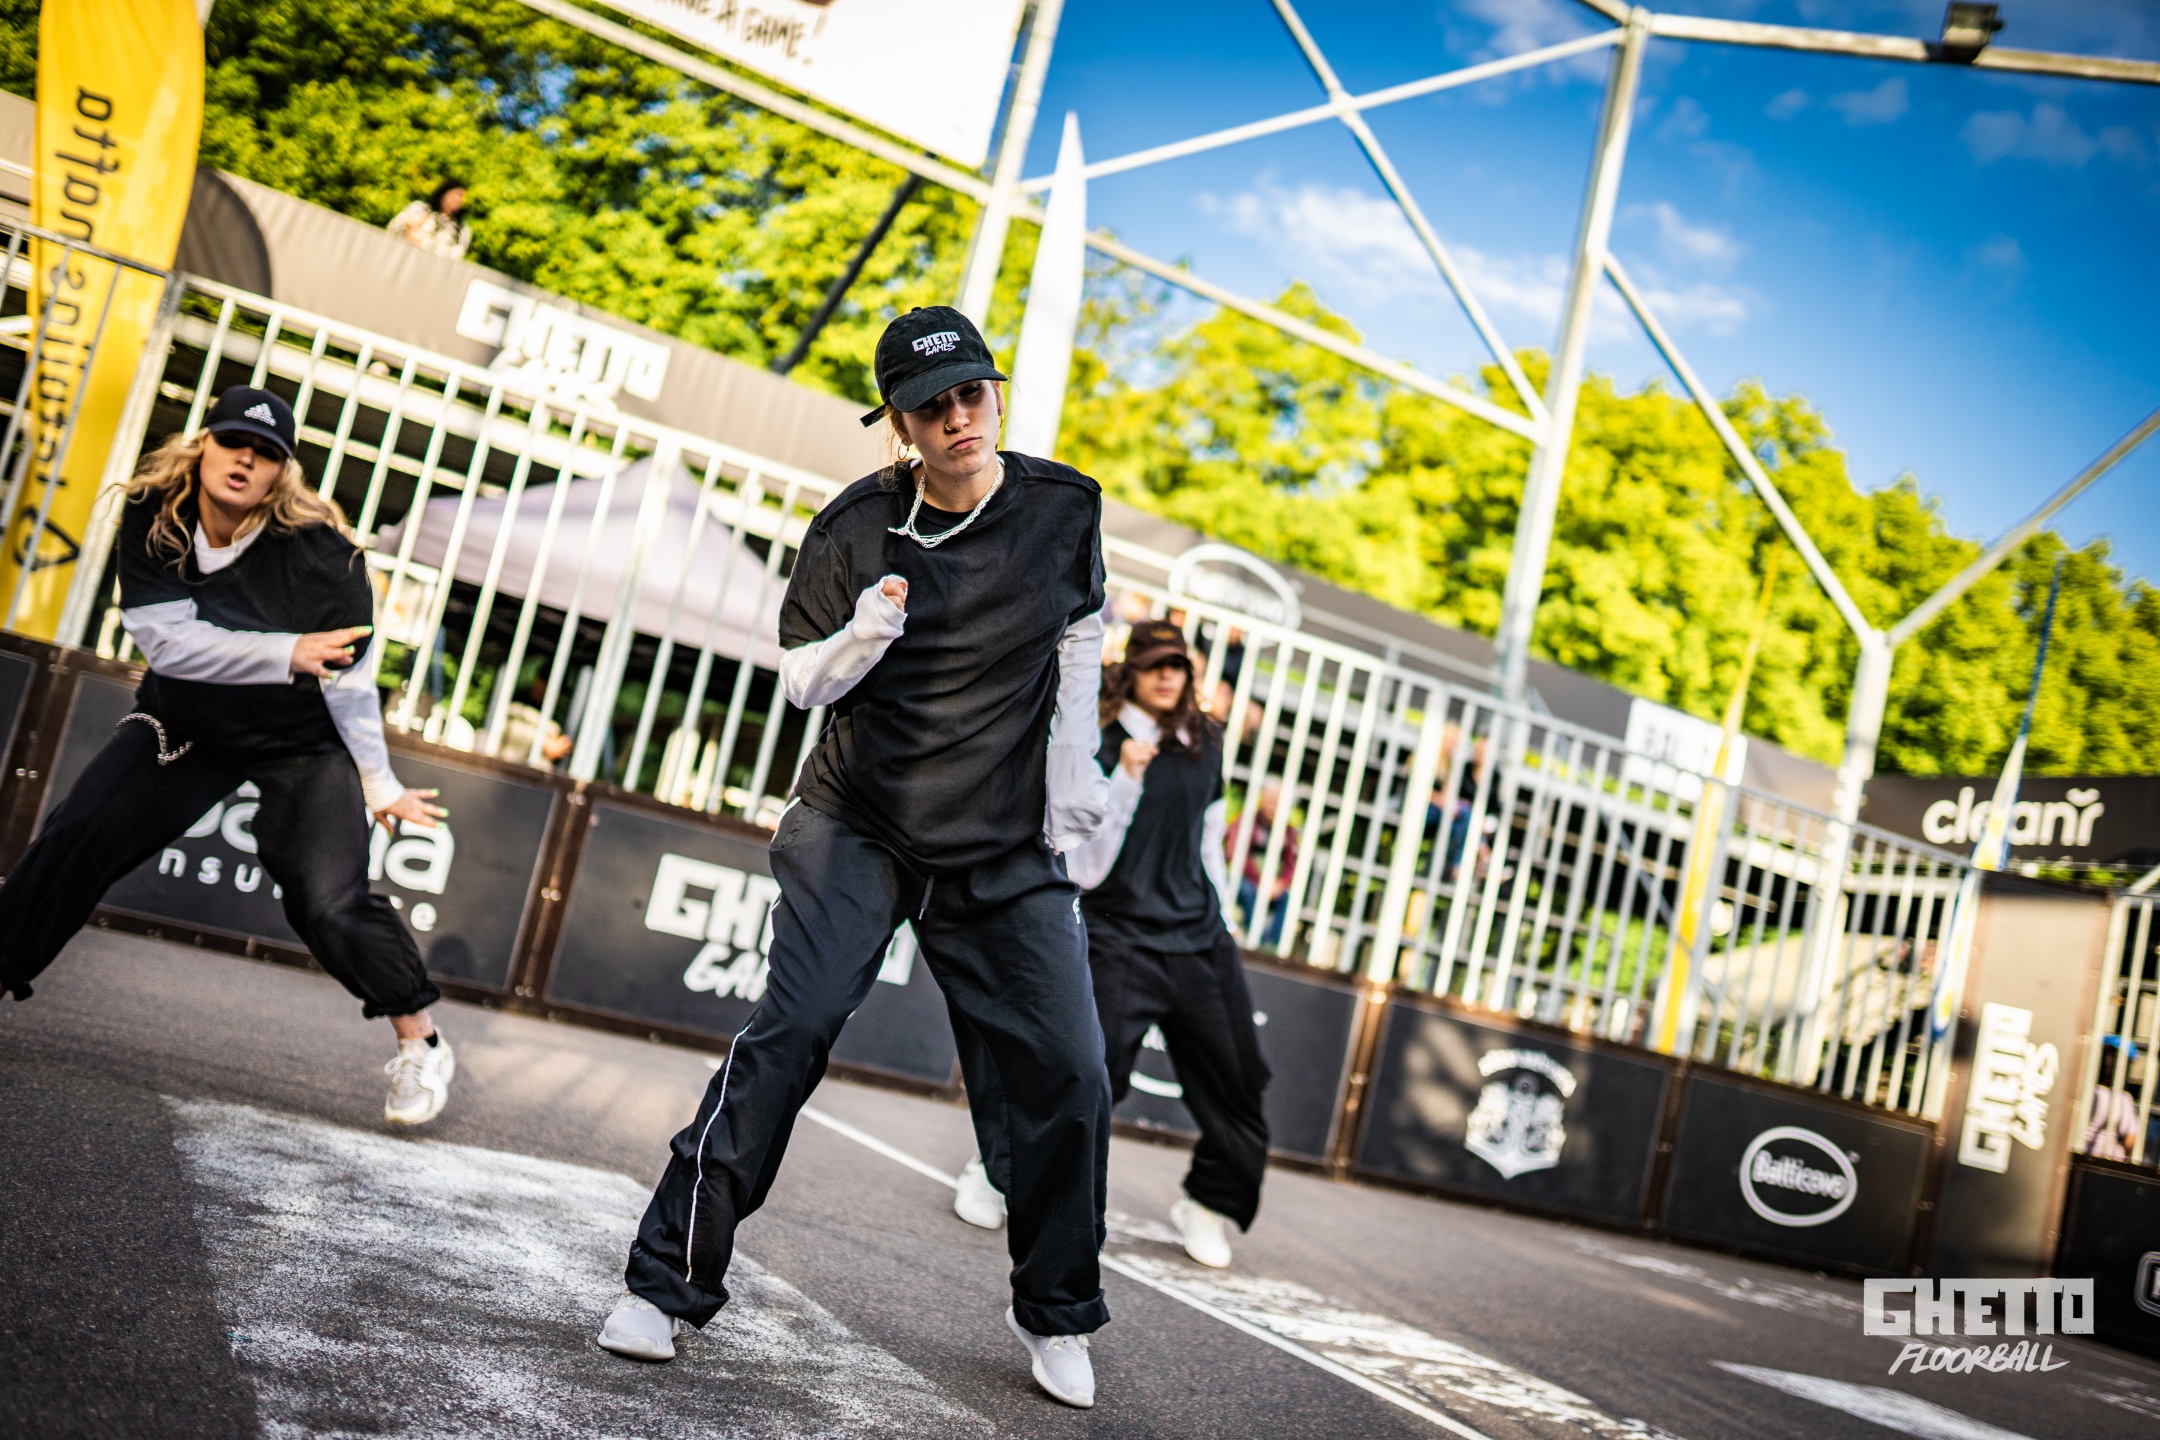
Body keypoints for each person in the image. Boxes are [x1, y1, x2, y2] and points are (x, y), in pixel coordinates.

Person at [595, 307, 1114, 1409]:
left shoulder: (1065, 507)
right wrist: (866, 633)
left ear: (995, 397)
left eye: (972, 394)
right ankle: (663, 1282)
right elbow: (801, 680)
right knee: (790, 1033)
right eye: (933, 407)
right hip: (857, 825)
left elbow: (1082, 631)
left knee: (1072, 1069)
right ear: (901, 426)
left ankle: (1057, 1309)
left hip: (1002, 843)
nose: (959, 418)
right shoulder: (855, 526)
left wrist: (1075, 770)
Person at [0, 387, 456, 1125]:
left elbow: (350, 687)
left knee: (328, 902)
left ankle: (421, 1041)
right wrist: (286, 651)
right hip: (187, 724)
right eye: (233, 441)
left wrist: (379, 783)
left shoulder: (325, 558)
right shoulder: (155, 514)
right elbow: (167, 645)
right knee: (78, 832)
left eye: (265, 452)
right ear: (204, 443)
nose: (245, 459)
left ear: (282, 473)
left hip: (298, 741)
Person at [952, 621, 1272, 1271]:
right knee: (1083, 1076)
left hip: (1199, 938)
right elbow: (1086, 864)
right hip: (1117, 935)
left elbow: (1209, 838)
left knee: (1240, 1078)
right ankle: (995, 1169)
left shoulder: (1205, 741)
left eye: (1177, 666)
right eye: (1155, 665)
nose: (1167, 676)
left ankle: (1208, 1203)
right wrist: (1125, 778)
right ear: (1130, 672)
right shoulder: (1097, 738)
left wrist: (1224, 917)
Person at [385, 179, 472, 260]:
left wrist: (423, 243)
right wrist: (408, 226)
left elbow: (456, 256)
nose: (458, 200)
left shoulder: (461, 230)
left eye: (461, 197)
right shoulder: (418, 209)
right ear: (444, 193)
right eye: (455, 195)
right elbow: (391, 229)